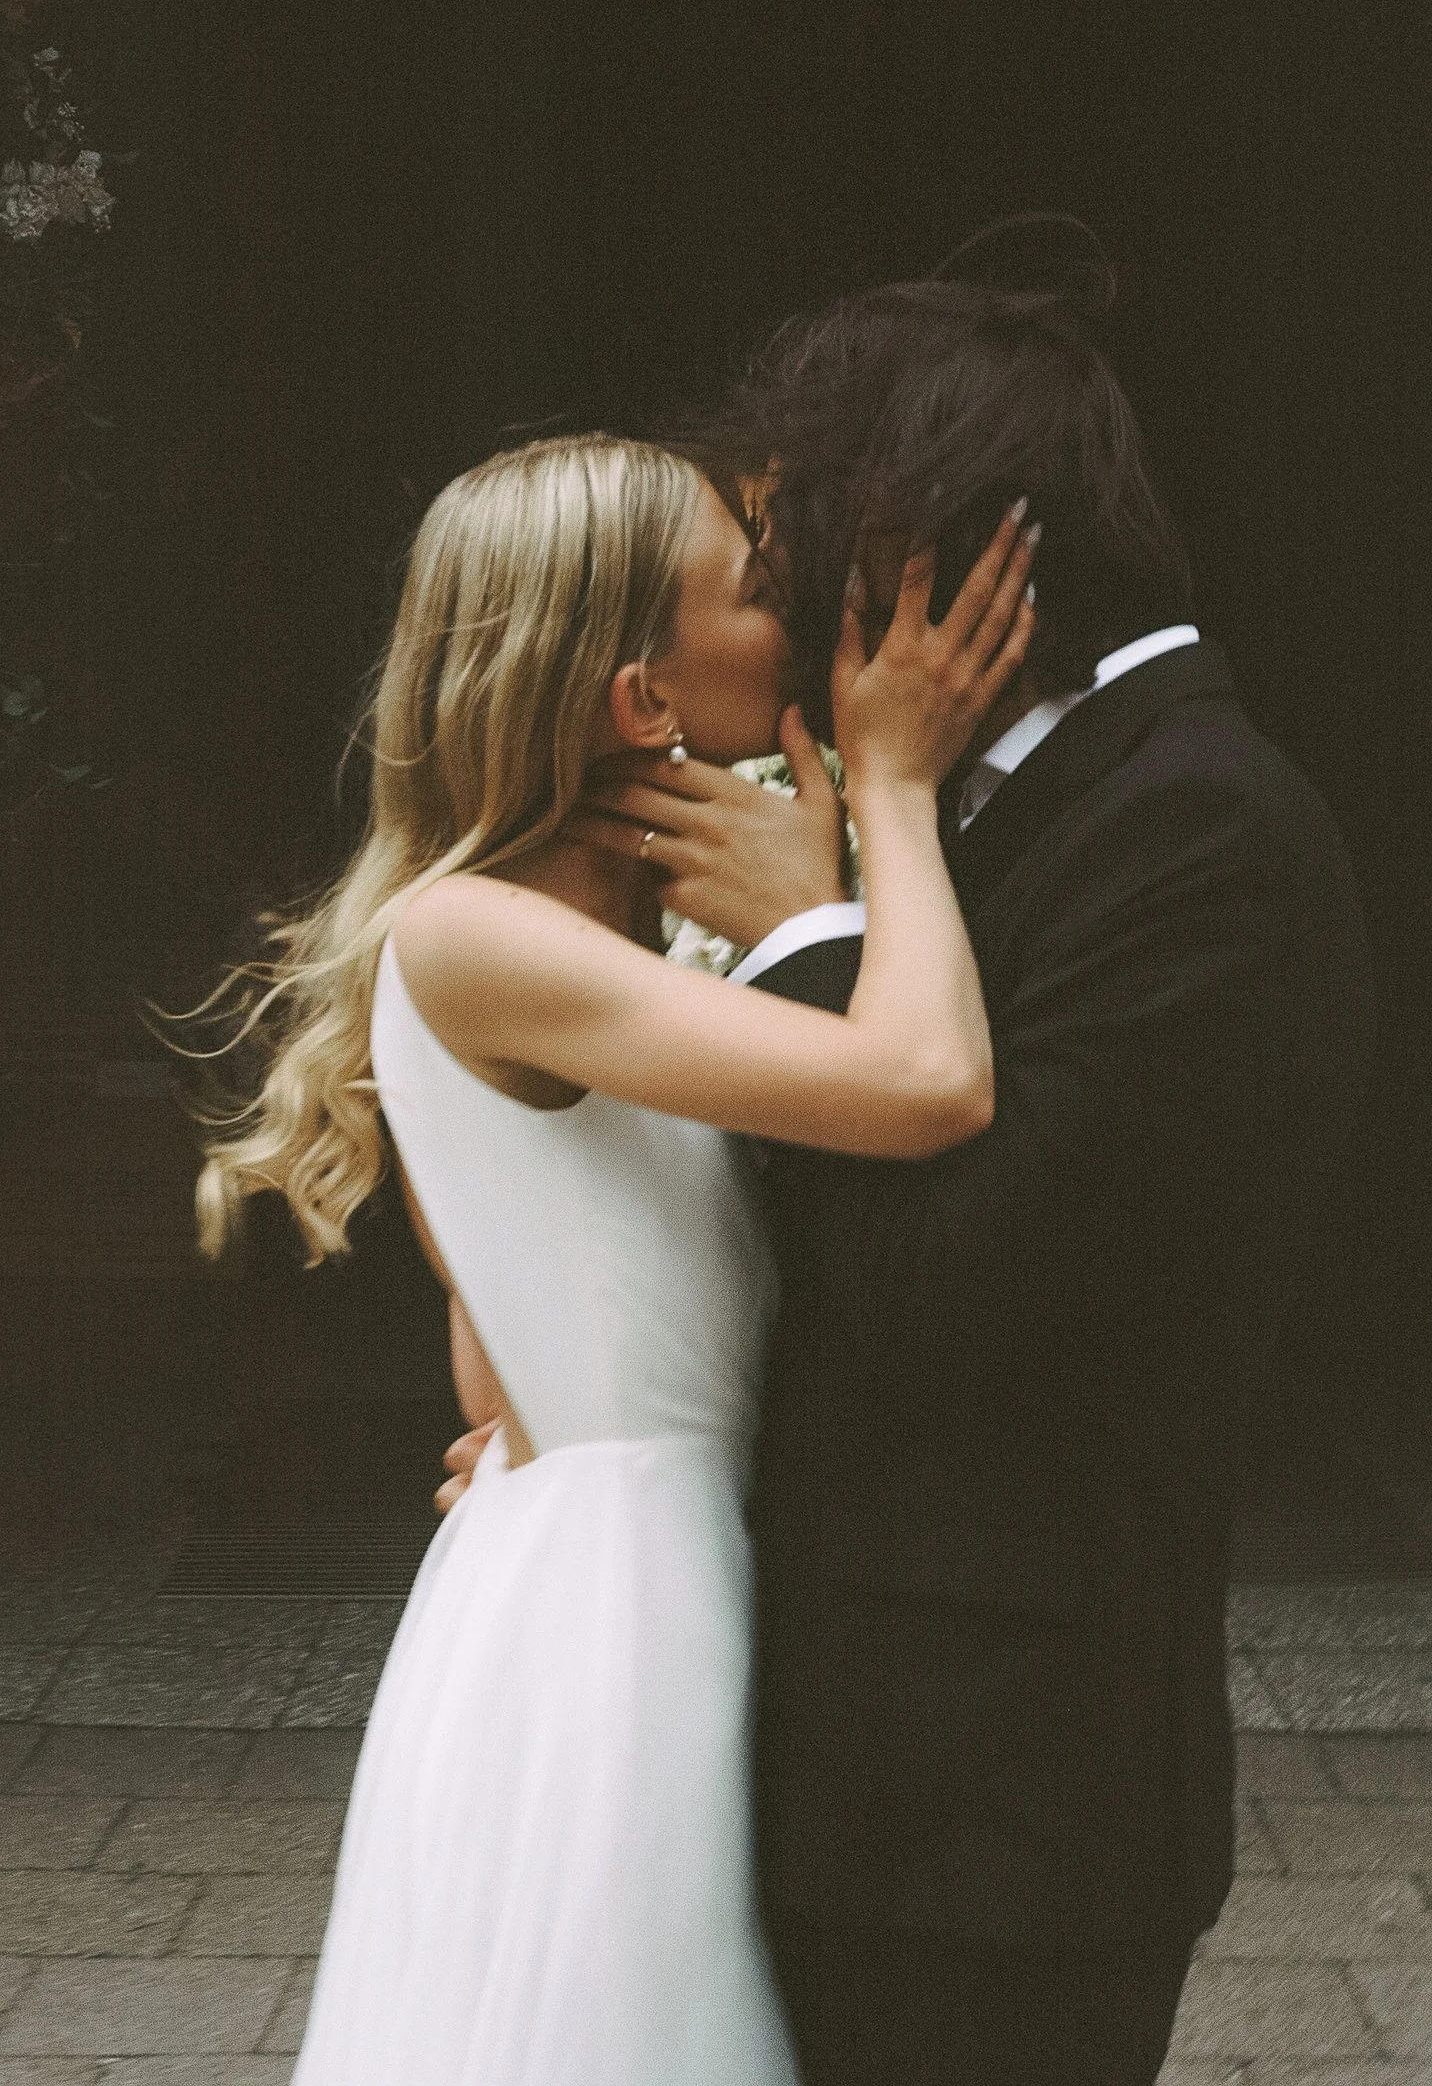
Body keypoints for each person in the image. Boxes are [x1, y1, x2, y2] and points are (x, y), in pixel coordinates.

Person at [449, 255, 1375, 2084]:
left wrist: (816, 938)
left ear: (942, 551)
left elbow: (966, 1287)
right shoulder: (1002, 804)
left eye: (799, 545)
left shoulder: (1202, 831)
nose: (776, 602)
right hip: (867, 1781)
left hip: (1000, 1818)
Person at [193, 430, 1036, 2084]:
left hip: (605, 1559)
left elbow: (501, 1353)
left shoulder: (616, 947)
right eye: (753, 582)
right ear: (644, 699)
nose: (798, 611)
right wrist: (896, 794)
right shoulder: (472, 933)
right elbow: (932, 1083)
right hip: (626, 1618)